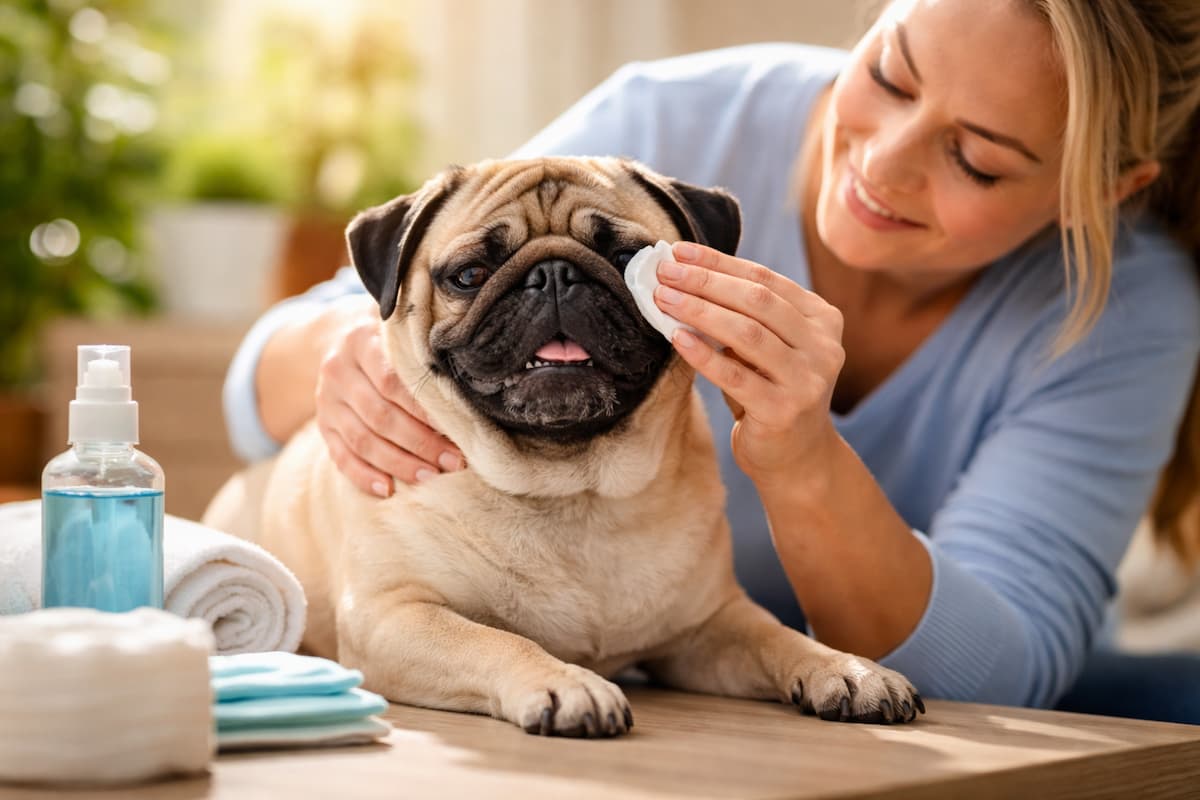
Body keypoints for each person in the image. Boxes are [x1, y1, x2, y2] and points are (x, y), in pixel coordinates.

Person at [222, 0, 1200, 722]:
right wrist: (338, 353)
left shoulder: (1123, 305)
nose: (886, 158)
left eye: (977, 159)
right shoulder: (666, 120)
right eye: (891, 73)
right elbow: (271, 373)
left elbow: (1002, 678)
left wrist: (803, 459)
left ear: (1104, 190)